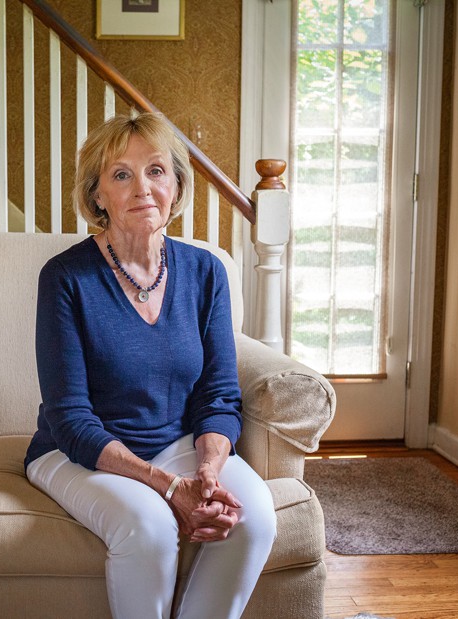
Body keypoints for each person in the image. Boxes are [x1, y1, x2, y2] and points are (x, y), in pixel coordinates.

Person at [25, 112, 277, 619]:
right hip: (76, 454)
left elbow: (219, 395)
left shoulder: (207, 271)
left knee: (252, 518)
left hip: (177, 444)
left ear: (177, 185)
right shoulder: (65, 278)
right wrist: (169, 489)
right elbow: (70, 418)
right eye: (121, 174)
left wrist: (206, 473)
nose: (142, 188)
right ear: (98, 195)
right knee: (150, 527)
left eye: (156, 171)